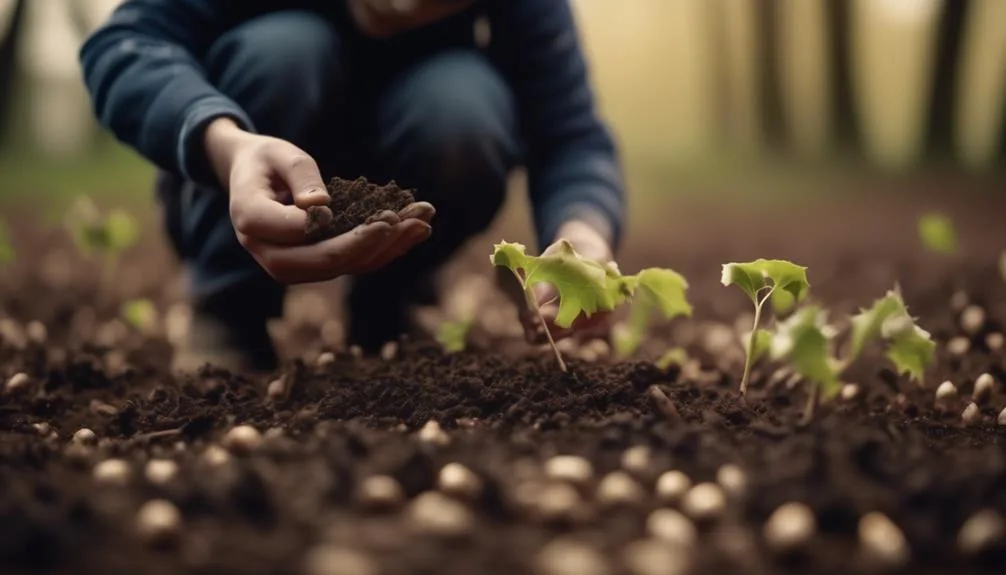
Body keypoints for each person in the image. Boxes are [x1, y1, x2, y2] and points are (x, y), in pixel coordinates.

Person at [78, 0, 626, 374]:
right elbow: (127, 44)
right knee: (283, 53)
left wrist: (583, 235)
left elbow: (570, 131)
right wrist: (226, 145)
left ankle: (391, 303)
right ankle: (228, 307)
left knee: (463, 105)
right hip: (247, 160)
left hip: (416, 138)